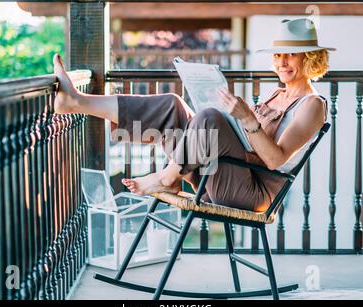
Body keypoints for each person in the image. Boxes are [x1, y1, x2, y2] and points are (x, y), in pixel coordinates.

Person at [53, 18, 335, 212]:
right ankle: (77, 101)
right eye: (277, 56)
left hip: (250, 191)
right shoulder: (277, 94)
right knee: (173, 105)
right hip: (225, 172)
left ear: (310, 57)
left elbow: (274, 159)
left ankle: (166, 177)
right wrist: (234, 120)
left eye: (291, 54)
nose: (281, 62)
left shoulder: (312, 105)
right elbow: (249, 144)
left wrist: (245, 119)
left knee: (210, 119)